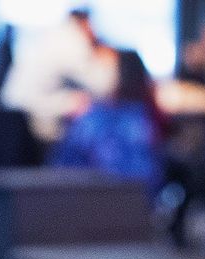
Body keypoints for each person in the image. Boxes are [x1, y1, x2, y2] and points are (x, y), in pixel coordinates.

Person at [52, 49, 165, 194]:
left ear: (122, 73)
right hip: (89, 202)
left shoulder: (131, 122)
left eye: (107, 67)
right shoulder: (93, 117)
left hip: (103, 202)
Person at [0, 8, 114, 148]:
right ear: (85, 22)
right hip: (25, 114)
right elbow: (103, 84)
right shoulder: (71, 38)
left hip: (15, 110)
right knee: (83, 104)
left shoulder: (57, 33)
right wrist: (108, 57)